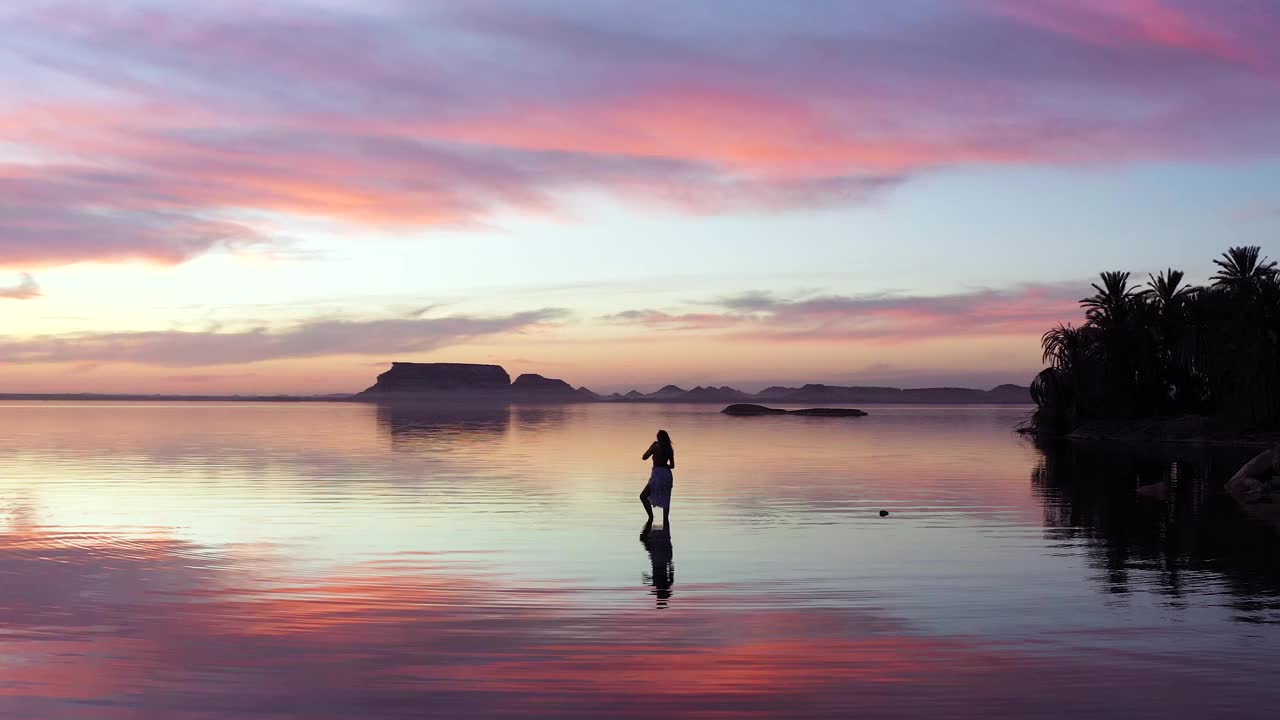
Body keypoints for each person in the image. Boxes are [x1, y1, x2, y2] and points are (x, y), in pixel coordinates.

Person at [639, 429, 675, 525]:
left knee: (643, 496)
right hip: (667, 475)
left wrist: (651, 449)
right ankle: (665, 526)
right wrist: (664, 465)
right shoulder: (669, 448)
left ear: (658, 438)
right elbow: (672, 466)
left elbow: (644, 457)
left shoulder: (655, 445)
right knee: (666, 500)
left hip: (657, 475)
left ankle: (650, 518)